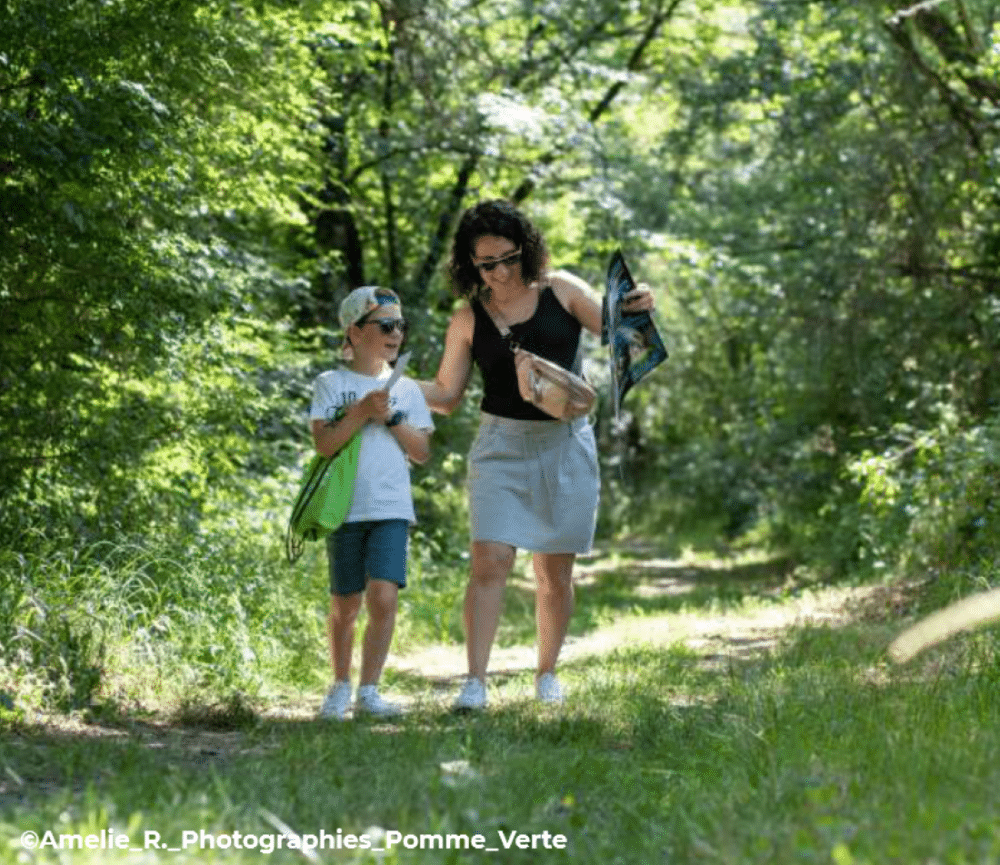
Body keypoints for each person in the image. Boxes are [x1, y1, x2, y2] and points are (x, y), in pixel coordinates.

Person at [418, 199, 655, 709]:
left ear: (526, 249)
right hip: (500, 447)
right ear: (470, 264)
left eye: (509, 257)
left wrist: (640, 305)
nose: (501, 271)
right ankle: (475, 682)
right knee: (490, 560)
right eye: (487, 264)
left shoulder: (562, 290)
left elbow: (618, 333)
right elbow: (446, 393)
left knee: (553, 571)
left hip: (565, 444)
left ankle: (546, 673)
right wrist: (386, 387)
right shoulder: (467, 318)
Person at [310, 285, 433, 720]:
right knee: (345, 603)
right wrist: (360, 413)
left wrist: (392, 417)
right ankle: (340, 685)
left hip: (391, 508)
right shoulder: (331, 384)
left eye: (400, 325)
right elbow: (325, 444)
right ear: (355, 331)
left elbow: (420, 452)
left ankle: (370, 690)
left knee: (384, 597)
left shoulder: (409, 391)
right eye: (385, 324)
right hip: (343, 508)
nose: (395, 333)